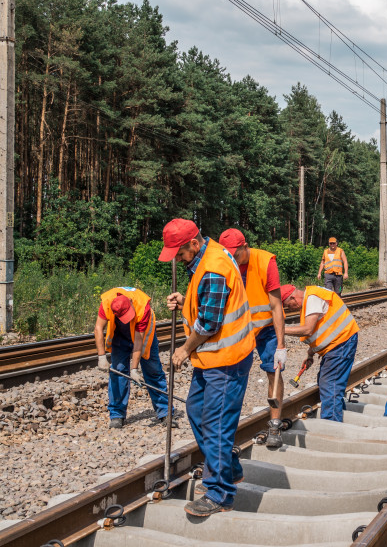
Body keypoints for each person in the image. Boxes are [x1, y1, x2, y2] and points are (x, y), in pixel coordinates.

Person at [160, 218, 255, 517]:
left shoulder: (214, 266)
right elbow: (210, 302)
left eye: (179, 252)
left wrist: (185, 349)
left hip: (226, 360)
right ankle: (229, 467)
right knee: (195, 409)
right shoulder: (208, 255)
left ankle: (220, 493)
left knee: (215, 424)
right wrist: (186, 298)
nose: (177, 258)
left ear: (194, 243)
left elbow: (210, 323)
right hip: (212, 358)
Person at [218, 228, 287, 448]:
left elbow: (276, 306)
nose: (233, 258)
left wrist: (281, 345)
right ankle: (225, 430)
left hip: (266, 328)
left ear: (245, 246)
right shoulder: (224, 263)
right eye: (229, 254)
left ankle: (275, 424)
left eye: (236, 254)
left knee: (273, 371)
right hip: (239, 329)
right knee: (233, 375)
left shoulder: (266, 261)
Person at [95, 288, 171, 429]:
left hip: (143, 335)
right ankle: (117, 415)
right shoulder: (106, 302)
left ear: (130, 302)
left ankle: (165, 412)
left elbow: (138, 340)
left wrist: (134, 369)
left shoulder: (142, 305)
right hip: (120, 335)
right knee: (118, 371)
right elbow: (98, 328)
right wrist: (101, 356)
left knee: (153, 370)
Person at [282, 284, 358, 422]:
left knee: (330, 384)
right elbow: (323, 326)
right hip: (340, 342)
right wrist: (310, 353)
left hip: (341, 343)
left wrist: (280, 329)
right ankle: (336, 415)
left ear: (293, 298)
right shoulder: (311, 298)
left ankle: (332, 424)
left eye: (288, 305)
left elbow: (307, 330)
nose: (289, 309)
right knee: (328, 382)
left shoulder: (312, 298)